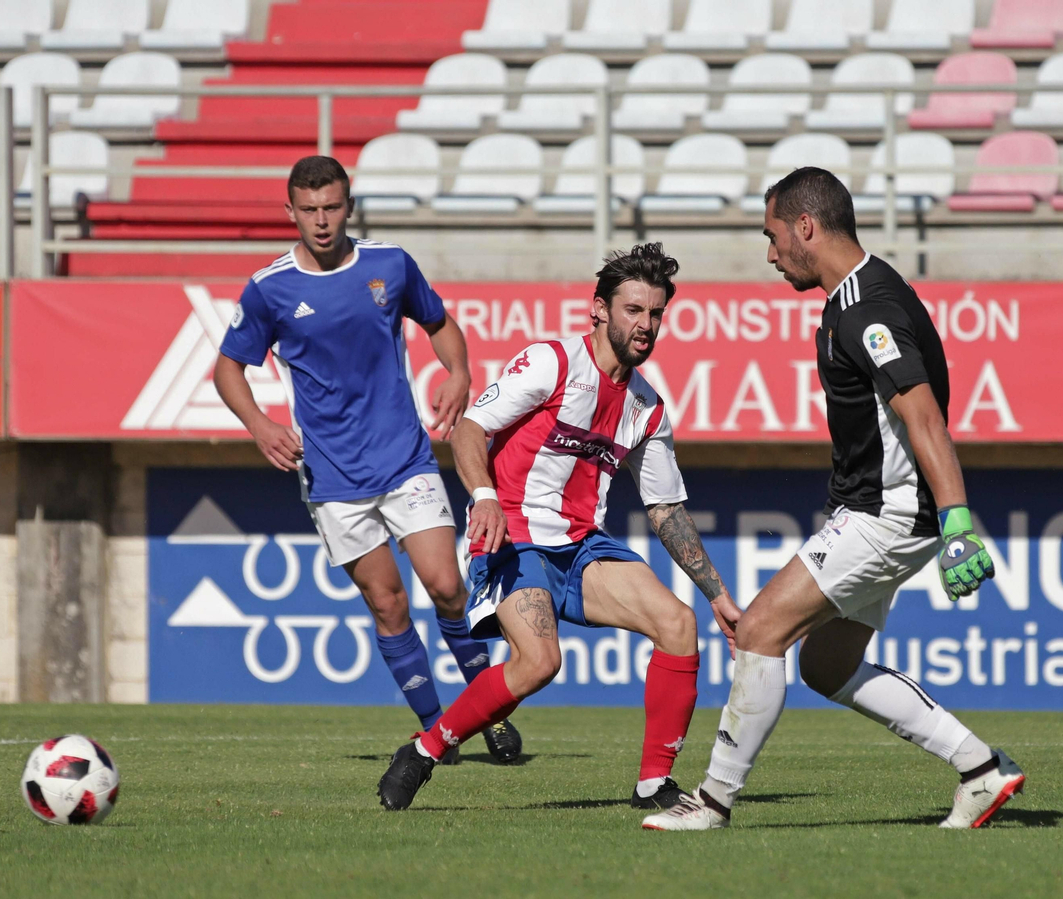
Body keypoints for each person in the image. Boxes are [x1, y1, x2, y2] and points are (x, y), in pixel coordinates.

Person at [643, 168, 1022, 832]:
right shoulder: (869, 289)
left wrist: (958, 517)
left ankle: (710, 802)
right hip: (886, 511)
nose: (770, 252)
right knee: (826, 663)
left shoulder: (865, 308)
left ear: (805, 227)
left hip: (888, 513)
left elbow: (925, 415)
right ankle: (979, 768)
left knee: (760, 629)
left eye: (772, 235)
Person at [377, 242, 743, 812]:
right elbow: (469, 430)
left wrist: (717, 593)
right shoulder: (551, 362)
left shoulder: (647, 408)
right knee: (541, 663)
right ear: (598, 309)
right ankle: (425, 751)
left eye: (655, 314)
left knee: (677, 624)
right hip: (514, 533)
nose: (645, 325)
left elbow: (665, 509)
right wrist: (484, 497)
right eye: (632, 310)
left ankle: (653, 783)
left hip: (580, 547)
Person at [214, 155, 522, 766]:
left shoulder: (388, 263)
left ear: (348, 206)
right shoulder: (269, 288)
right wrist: (259, 425)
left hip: (404, 459)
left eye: (331, 208)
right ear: (290, 213)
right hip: (332, 478)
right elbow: (228, 369)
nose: (321, 221)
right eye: (309, 211)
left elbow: (440, 323)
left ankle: (484, 711)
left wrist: (458, 372)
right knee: (388, 603)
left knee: (447, 587)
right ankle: (437, 731)